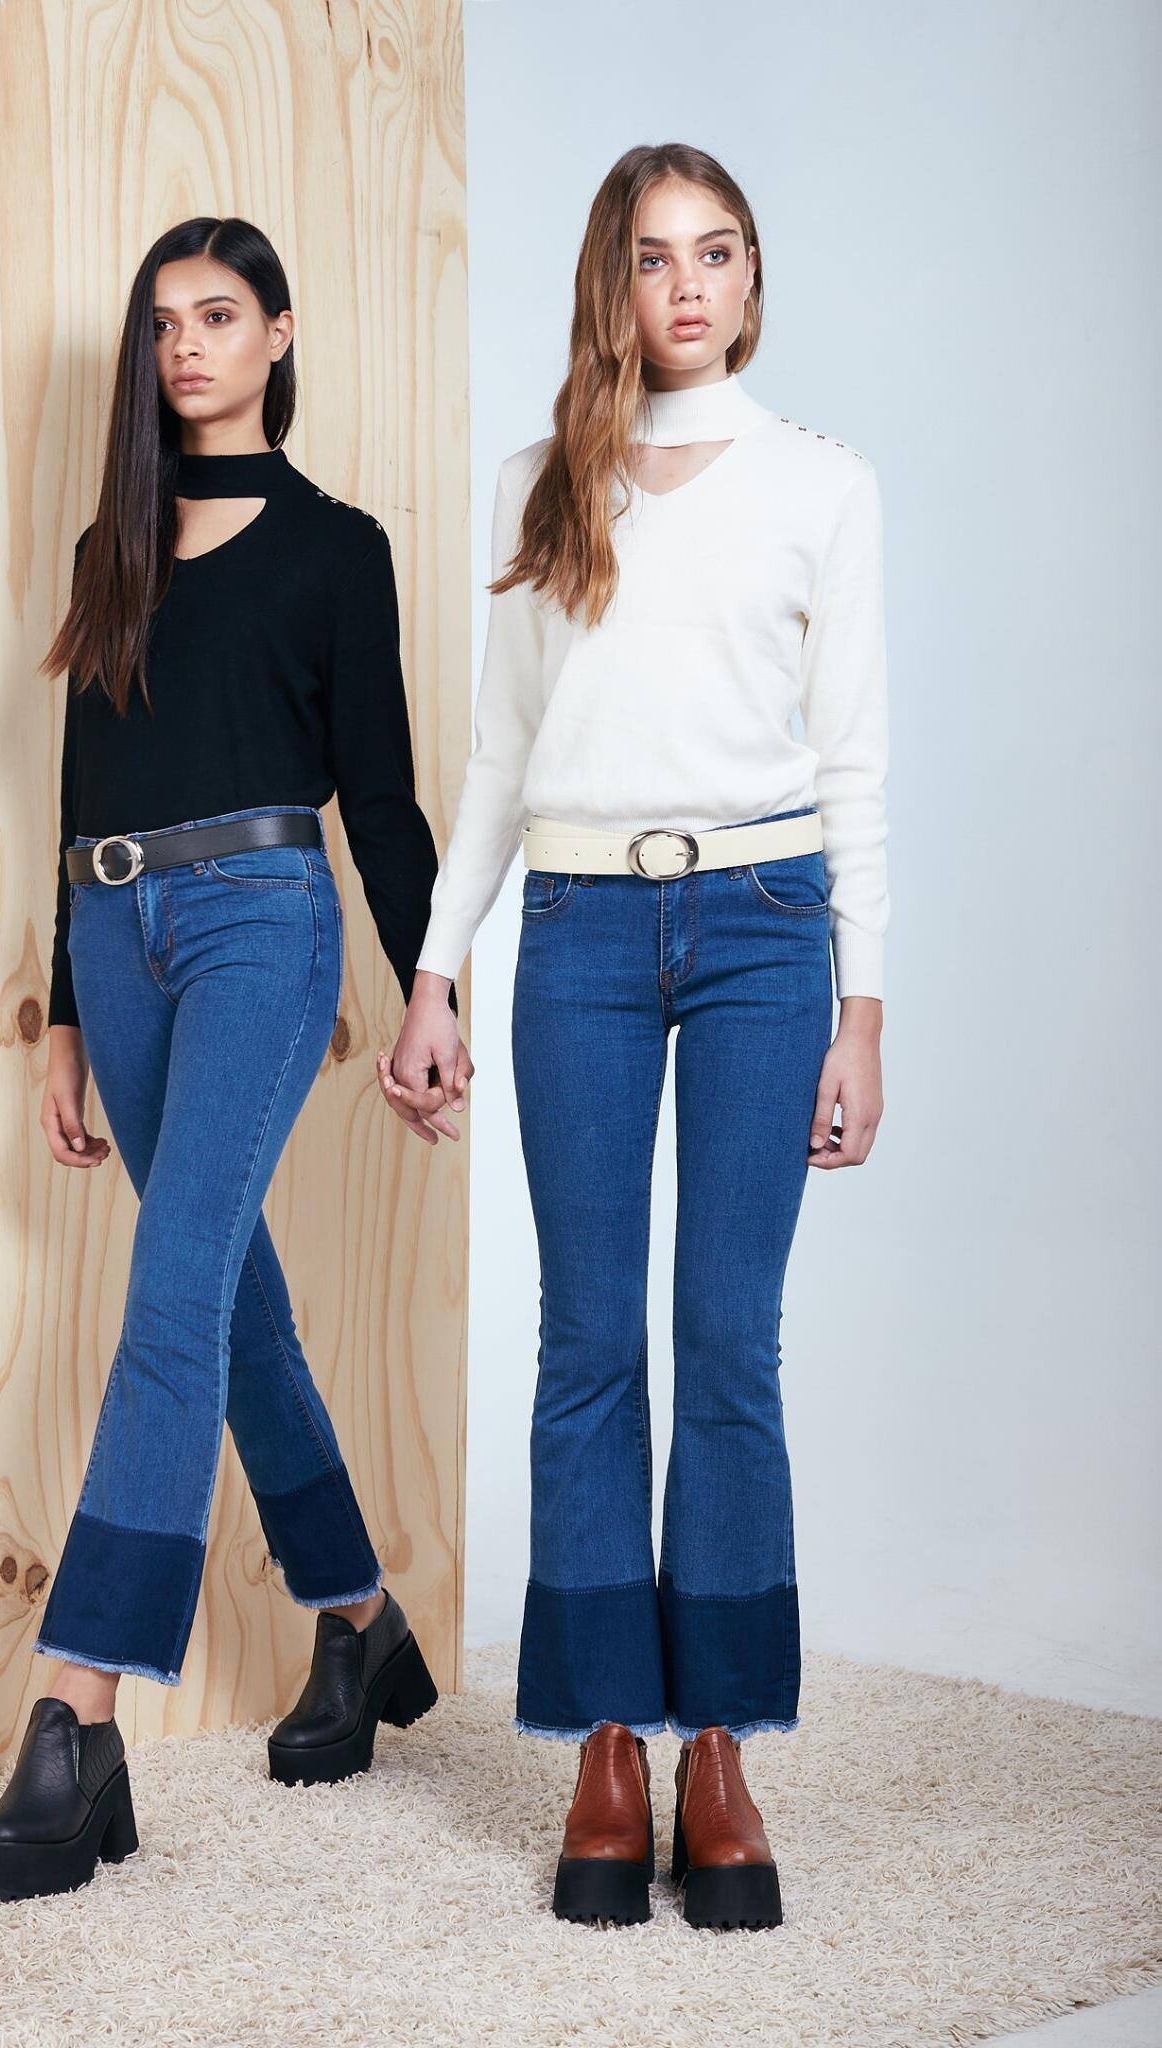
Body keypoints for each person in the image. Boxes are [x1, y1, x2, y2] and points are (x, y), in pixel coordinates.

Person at [380, 143, 888, 1930]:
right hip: (580, 934)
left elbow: (854, 766)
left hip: (764, 932)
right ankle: (606, 1741)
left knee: (726, 1341)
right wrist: (436, 971)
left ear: (752, 280)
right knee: (587, 1340)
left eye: (717, 252)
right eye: (656, 257)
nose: (688, 285)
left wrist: (861, 1011)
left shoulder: (820, 486)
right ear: (614, 282)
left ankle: (719, 1751)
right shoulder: (541, 485)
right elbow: (500, 756)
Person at [0, 216, 452, 1901]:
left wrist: (430, 989)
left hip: (261, 921)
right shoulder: (113, 547)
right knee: (230, 1304)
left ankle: (75, 1710)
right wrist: (64, 1015)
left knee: (170, 1298)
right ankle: (361, 1622)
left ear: (276, 336)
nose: (185, 345)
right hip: (117, 933)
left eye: (219, 314)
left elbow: (379, 796)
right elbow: (76, 792)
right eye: (163, 321)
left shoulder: (335, 549)